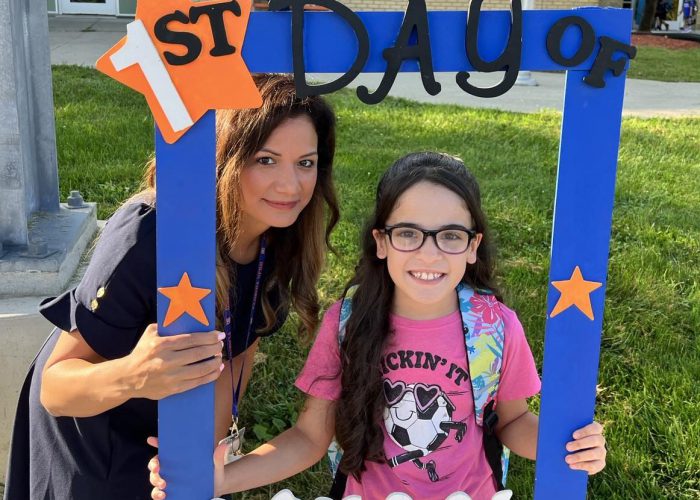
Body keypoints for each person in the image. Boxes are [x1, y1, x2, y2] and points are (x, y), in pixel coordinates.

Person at [148, 152, 607, 499]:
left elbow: (515, 422)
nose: (429, 254)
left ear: (473, 246)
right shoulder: (347, 323)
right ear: (381, 242)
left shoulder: (495, 327)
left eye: (450, 235)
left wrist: (565, 447)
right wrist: (223, 477)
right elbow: (310, 436)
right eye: (408, 233)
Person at [3, 73, 340, 500]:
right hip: (90, 437)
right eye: (266, 160)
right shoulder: (150, 235)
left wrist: (202, 457)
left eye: (305, 163)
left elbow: (236, 352)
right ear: (224, 158)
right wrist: (134, 375)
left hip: (168, 432)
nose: (290, 186)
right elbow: (57, 388)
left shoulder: (280, 238)